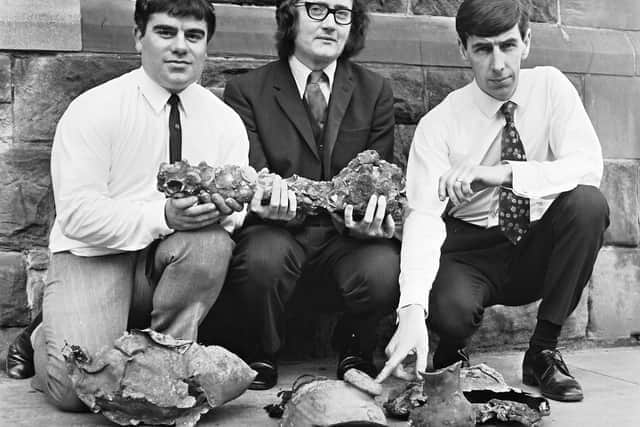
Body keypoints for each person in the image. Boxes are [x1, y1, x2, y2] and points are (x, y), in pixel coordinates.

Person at [5, 0, 250, 412]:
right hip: (95, 255)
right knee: (77, 392)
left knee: (211, 244)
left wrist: (226, 210)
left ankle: (166, 366)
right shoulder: (94, 109)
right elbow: (78, 214)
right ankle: (42, 337)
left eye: (193, 36)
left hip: (171, 262)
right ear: (139, 37)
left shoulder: (224, 121)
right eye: (165, 32)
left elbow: (237, 210)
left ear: (207, 46)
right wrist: (161, 216)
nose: (180, 47)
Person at [377, 0, 609, 403]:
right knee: (450, 312)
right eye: (483, 49)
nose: (498, 64)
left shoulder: (551, 88)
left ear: (527, 42)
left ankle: (542, 353)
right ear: (462, 50)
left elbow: (587, 167)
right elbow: (423, 218)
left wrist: (504, 174)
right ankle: (451, 352)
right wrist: (411, 307)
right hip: (469, 251)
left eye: (508, 46)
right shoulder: (440, 124)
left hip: (534, 241)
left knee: (588, 205)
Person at [201, 0, 400, 390]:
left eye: (341, 13)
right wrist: (270, 204)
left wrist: (370, 220)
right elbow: (251, 175)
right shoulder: (247, 91)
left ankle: (356, 348)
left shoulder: (375, 90)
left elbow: (377, 177)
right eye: (317, 9)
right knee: (262, 258)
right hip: (276, 228)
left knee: (384, 267)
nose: (330, 23)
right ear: (289, 16)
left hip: (346, 236)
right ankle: (261, 350)